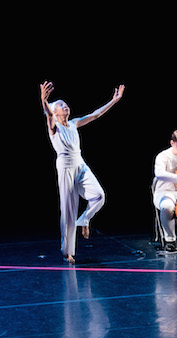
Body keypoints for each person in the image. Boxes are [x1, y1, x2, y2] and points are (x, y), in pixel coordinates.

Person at [40, 81, 125, 263]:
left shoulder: (73, 123)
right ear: (55, 112)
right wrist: (43, 101)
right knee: (69, 209)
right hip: (65, 167)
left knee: (99, 195)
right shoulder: (54, 127)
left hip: (80, 164)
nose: (65, 106)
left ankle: (84, 220)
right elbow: (48, 114)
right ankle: (67, 251)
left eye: (65, 104)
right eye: (61, 105)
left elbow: (95, 115)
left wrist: (114, 101)